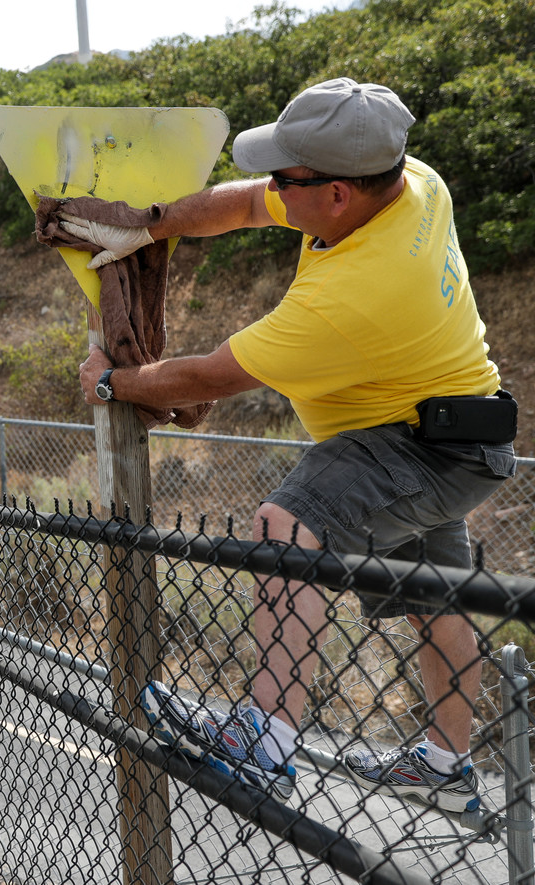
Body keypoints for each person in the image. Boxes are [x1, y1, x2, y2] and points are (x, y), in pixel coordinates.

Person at [73, 78, 515, 812]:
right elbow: (245, 202)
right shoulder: (408, 180)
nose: (271, 183)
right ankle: (445, 762)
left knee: (289, 519)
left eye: (287, 174)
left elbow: (211, 374)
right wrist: (148, 225)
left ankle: (264, 743)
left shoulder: (356, 293)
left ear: (337, 194)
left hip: (419, 445)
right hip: (455, 431)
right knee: (433, 597)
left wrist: (113, 381)